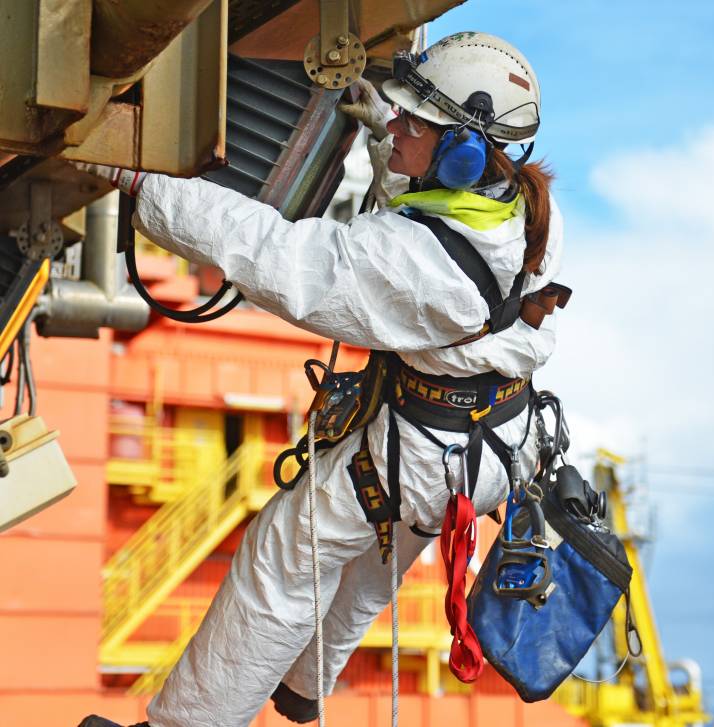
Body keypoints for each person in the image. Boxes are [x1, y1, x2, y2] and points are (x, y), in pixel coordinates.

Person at [78, 31, 564, 727]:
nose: (395, 124)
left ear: (460, 153)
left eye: (410, 123)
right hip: (487, 447)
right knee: (374, 561)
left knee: (285, 554)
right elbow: (436, 213)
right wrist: (379, 141)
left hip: (425, 456)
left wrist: (138, 179)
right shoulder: (522, 205)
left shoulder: (417, 265)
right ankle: (307, 680)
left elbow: (276, 255)